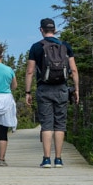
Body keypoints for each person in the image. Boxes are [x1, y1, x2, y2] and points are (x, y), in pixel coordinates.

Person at [24, 18, 79, 168]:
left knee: (47, 125)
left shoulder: (36, 47)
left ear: (41, 30)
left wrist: (27, 92)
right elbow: (73, 70)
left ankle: (47, 159)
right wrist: (76, 89)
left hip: (44, 89)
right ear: (54, 30)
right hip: (62, 89)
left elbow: (30, 71)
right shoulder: (65, 46)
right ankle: (59, 159)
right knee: (60, 125)